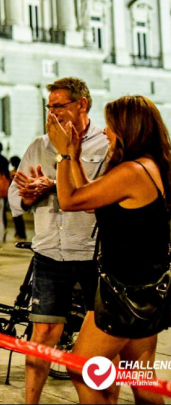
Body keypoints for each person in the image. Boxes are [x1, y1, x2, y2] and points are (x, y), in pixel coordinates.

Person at [48, 95, 170, 404]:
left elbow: (71, 201)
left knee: (81, 369)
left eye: (111, 125)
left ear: (129, 128)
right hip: (143, 289)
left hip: (125, 293)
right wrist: (75, 158)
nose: (105, 132)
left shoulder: (132, 172)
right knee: (140, 379)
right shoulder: (149, 166)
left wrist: (62, 155)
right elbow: (91, 204)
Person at [8, 77, 109, 404]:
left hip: (92, 253)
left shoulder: (105, 144)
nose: (51, 113)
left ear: (82, 104)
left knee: (103, 338)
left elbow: (104, 196)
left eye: (59, 106)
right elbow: (13, 197)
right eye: (49, 107)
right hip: (50, 252)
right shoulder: (38, 145)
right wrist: (26, 195)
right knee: (42, 333)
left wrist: (55, 184)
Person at [9, 156, 27, 241]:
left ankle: (19, 233)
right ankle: (21, 233)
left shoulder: (13, 172)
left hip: (15, 195)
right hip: (20, 194)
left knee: (16, 216)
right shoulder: (22, 171)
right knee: (19, 216)